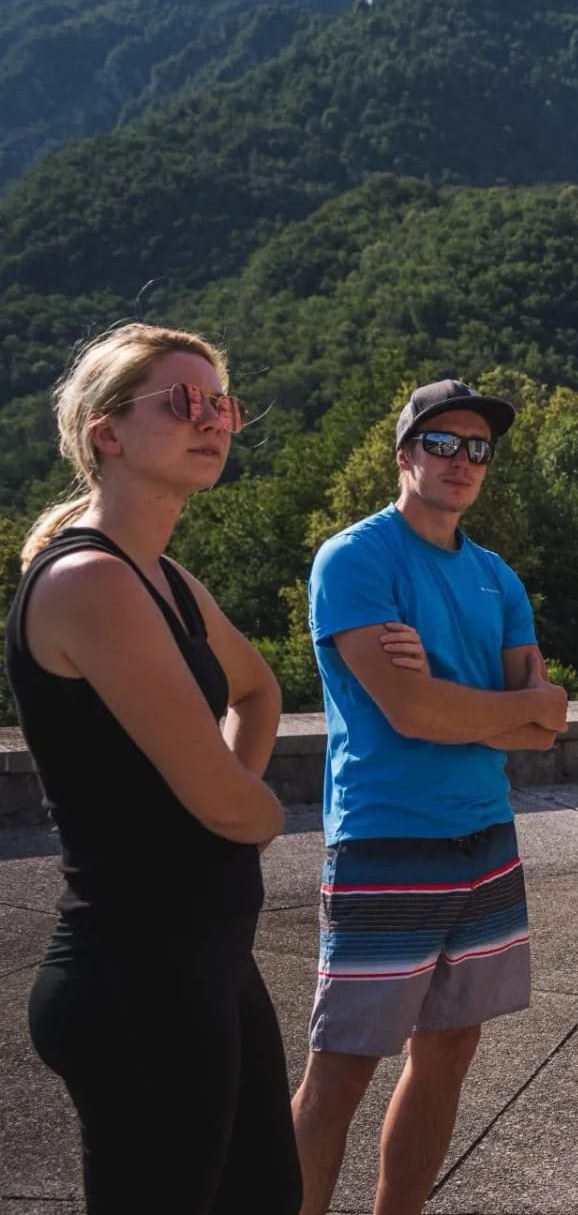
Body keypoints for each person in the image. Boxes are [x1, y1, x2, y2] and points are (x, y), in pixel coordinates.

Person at [9, 324, 300, 1213]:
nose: (211, 420)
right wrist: (250, 816)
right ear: (108, 433)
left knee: (266, 1197)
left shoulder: (164, 577)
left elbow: (260, 691)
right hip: (135, 981)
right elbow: (225, 803)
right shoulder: (89, 582)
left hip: (204, 961)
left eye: (222, 404)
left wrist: (232, 817)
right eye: (182, 402)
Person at [290, 379, 571, 1215]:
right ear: (405, 452)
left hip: (485, 841)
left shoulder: (495, 575)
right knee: (340, 1071)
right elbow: (411, 713)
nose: (461, 461)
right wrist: (499, 706)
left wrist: (466, 706)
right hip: (388, 843)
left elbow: (547, 724)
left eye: (477, 449)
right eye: (443, 443)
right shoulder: (357, 558)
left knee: (446, 1059)